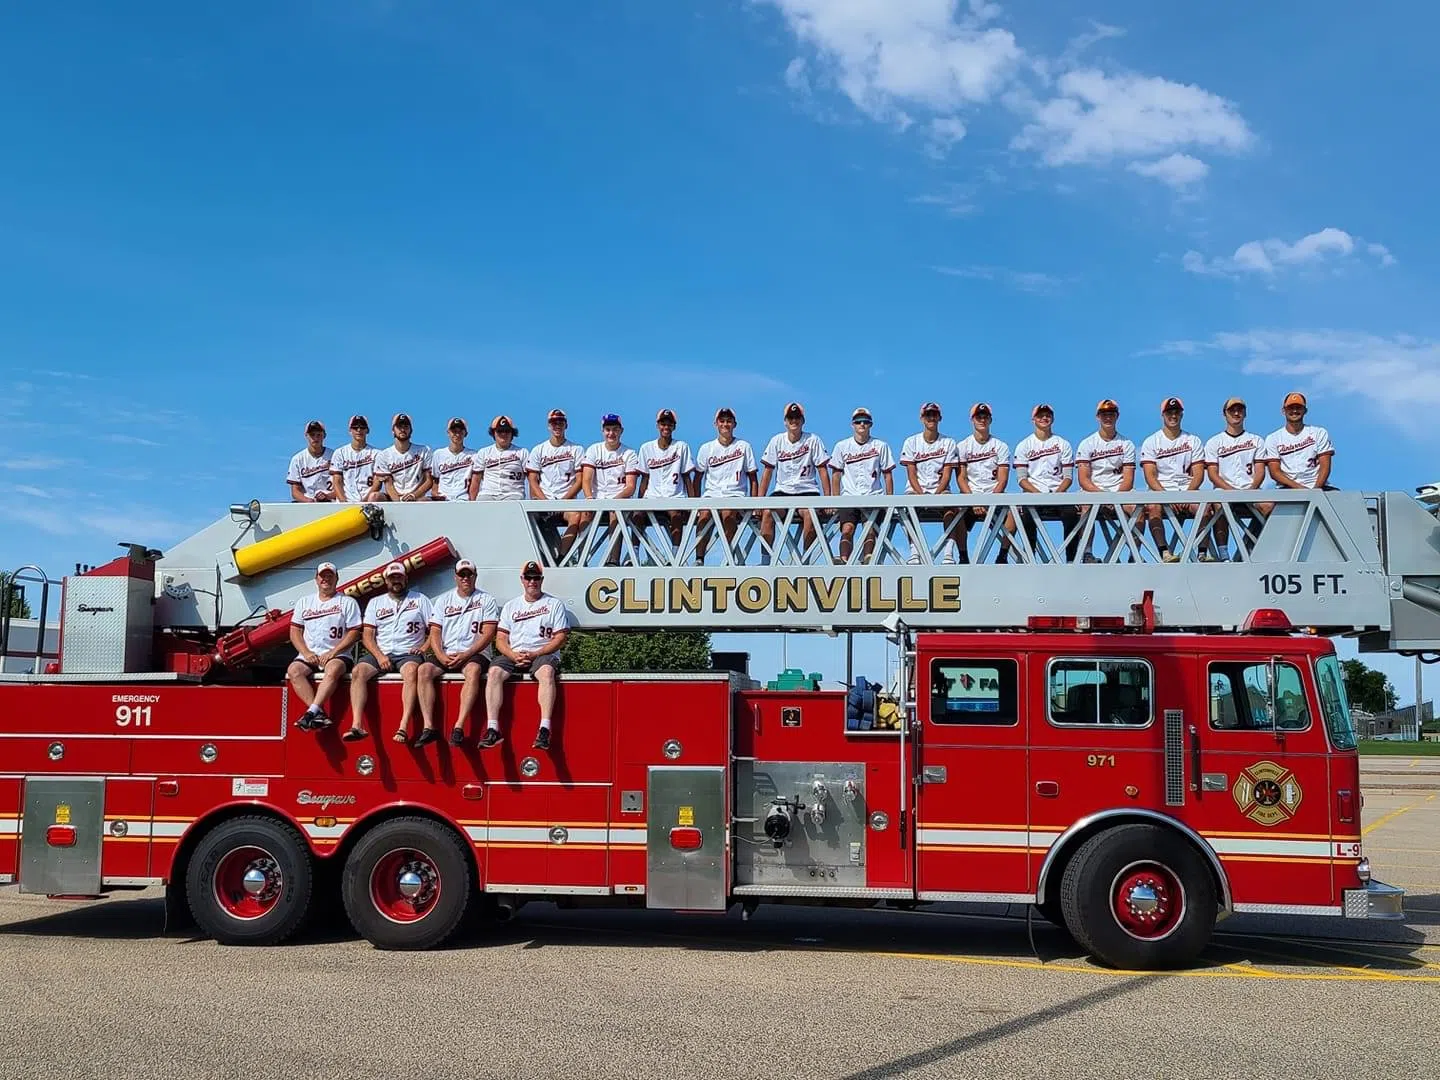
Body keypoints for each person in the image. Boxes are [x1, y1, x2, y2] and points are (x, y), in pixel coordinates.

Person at [479, 561, 571, 751]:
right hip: (515, 654)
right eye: (528, 577)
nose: (532, 581)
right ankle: (492, 729)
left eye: (536, 577)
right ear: (522, 580)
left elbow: (561, 637)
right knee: (494, 671)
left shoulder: (553, 604)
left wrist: (537, 653)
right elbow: (500, 639)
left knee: (546, 672)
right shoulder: (511, 606)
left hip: (542, 653)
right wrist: (512, 654)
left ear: (541, 580)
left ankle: (544, 728)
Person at [342, 562, 433, 744]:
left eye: (399, 577)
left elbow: (435, 631)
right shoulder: (376, 602)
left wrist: (423, 649)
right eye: (392, 578)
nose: (396, 581)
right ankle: (357, 724)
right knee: (358, 672)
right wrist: (380, 656)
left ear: (405, 578)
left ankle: (403, 725)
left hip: (409, 652)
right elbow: (367, 636)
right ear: (386, 580)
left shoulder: (420, 600)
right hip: (382, 652)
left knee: (410, 672)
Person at [419, 559, 500, 747]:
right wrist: (439, 655)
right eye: (462, 574)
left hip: (474, 652)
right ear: (455, 577)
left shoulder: (486, 600)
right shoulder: (443, 600)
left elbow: (489, 633)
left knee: (472, 671)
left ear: (475, 576)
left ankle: (459, 725)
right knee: (423, 671)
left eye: (469, 574)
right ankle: (429, 727)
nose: (465, 578)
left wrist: (467, 653)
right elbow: (435, 631)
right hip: (447, 652)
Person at [286, 562, 361, 731]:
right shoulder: (304, 602)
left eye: (330, 576)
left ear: (336, 579)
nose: (326, 579)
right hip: (310, 654)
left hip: (338, 654)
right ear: (316, 579)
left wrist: (334, 652)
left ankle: (310, 712)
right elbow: (295, 632)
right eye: (322, 576)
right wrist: (305, 653)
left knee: (333, 669)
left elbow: (355, 632)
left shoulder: (347, 602)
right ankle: (318, 712)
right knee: (293, 671)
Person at [759, 402, 830, 563]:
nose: (794, 421)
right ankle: (765, 559)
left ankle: (806, 559)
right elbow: (767, 472)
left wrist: (828, 500)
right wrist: (759, 501)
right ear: (785, 421)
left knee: (810, 514)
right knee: (768, 512)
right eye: (790, 418)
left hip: (808, 489)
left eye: (797, 418)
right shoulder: (777, 440)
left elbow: (823, 470)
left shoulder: (813, 440)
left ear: (803, 421)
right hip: (783, 491)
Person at [1140, 397, 1206, 563]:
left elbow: (1198, 474)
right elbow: (1150, 476)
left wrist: (1187, 495)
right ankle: (1164, 552)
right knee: (1153, 507)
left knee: (1206, 507)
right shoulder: (1151, 441)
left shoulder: (1193, 440)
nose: (1173, 416)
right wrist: (1167, 498)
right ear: (1163, 415)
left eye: (1177, 412)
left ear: (1182, 415)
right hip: (1161, 492)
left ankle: (1202, 552)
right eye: (1170, 412)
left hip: (1187, 490)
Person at [1204, 397, 1271, 560]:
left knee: (1270, 506)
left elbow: (1260, 471)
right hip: (1224, 490)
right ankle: (1223, 551)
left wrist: (1251, 489)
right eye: (1232, 410)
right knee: (1218, 504)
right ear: (1224, 414)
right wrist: (1231, 491)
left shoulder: (1256, 440)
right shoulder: (1214, 442)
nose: (1236, 413)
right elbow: (1213, 474)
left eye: (1240, 410)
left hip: (1251, 489)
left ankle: (1261, 547)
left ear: (1245, 413)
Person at [1013, 403, 1080, 562]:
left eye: (1047, 415)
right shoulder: (1024, 445)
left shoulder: (1063, 443)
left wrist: (1056, 495)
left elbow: (1068, 477)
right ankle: (1029, 559)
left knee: (1071, 514)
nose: (1044, 418)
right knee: (1027, 517)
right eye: (1040, 415)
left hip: (1058, 493)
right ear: (1033, 419)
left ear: (1053, 419)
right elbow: (1021, 479)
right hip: (1032, 493)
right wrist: (1038, 495)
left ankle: (1071, 559)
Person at [828, 407, 894, 563]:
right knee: (847, 528)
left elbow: (888, 475)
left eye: (865, 421)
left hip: (873, 495)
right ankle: (844, 559)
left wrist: (890, 500)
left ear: (870, 424)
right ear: (853, 425)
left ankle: (868, 557)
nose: (862, 424)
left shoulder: (880, 445)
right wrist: (835, 500)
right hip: (849, 496)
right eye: (858, 422)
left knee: (870, 529)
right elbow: (836, 475)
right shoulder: (841, 446)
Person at [1075, 399, 1137, 562]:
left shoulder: (1127, 444)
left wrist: (1114, 498)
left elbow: (1128, 480)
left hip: (1120, 492)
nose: (1107, 417)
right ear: (1097, 417)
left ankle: (1134, 553)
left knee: (1137, 508)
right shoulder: (1087, 443)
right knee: (1086, 508)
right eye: (1104, 414)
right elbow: (1083, 479)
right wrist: (1103, 496)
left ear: (1117, 416)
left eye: (1111, 414)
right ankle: (1087, 552)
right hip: (1094, 492)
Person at [693, 407, 758, 562]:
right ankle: (699, 558)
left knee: (728, 513)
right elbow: (697, 478)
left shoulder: (744, 446)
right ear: (716, 424)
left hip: (736, 494)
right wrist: (695, 503)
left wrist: (755, 504)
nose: (725, 424)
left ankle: (729, 556)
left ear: (734, 424)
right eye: (722, 421)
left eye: (729, 421)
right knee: (704, 515)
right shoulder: (706, 448)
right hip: (711, 494)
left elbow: (753, 477)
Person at [899, 402, 960, 563]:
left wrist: (936, 494)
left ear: (940, 418)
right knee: (907, 508)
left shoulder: (949, 442)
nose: (931, 418)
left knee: (951, 509)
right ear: (921, 418)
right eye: (928, 415)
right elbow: (911, 474)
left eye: (934, 414)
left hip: (941, 489)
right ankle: (915, 552)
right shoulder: (911, 442)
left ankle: (948, 553)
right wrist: (921, 495)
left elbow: (948, 475)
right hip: (916, 490)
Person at [952, 402, 1011, 564]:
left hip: (995, 496)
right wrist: (973, 501)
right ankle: (963, 556)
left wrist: (991, 501)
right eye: (979, 417)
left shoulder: (1001, 446)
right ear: (972, 419)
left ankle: (1003, 555)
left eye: (985, 417)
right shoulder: (962, 446)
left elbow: (1003, 479)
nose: (982, 420)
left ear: (990, 420)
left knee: (1015, 512)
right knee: (954, 514)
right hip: (971, 497)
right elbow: (961, 478)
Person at [528, 409, 587, 560]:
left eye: (560, 422)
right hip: (545, 500)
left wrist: (564, 500)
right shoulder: (538, 449)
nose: (557, 425)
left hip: (567, 500)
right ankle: (536, 556)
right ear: (549, 426)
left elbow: (580, 479)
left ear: (566, 425)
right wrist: (544, 502)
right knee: (527, 517)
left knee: (576, 516)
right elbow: (533, 480)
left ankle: (561, 557)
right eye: (554, 423)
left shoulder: (576, 449)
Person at [581, 413, 640, 564]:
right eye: (607, 429)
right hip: (597, 500)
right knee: (584, 514)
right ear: (603, 431)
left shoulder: (629, 453)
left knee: (616, 513)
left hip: (619, 501)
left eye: (615, 429)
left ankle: (613, 560)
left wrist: (613, 501)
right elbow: (586, 480)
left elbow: (630, 487)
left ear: (621, 431)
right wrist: (589, 498)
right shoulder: (594, 450)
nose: (611, 433)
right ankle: (581, 560)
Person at [636, 408, 696, 552]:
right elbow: (644, 478)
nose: (666, 427)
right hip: (652, 496)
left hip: (674, 495)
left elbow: (687, 477)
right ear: (657, 426)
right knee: (637, 515)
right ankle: (634, 552)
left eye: (669, 424)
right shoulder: (646, 448)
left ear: (674, 427)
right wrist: (638, 501)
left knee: (676, 515)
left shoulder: (682, 446)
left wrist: (693, 504)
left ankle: (676, 553)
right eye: (663, 424)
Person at [1262, 392, 1335, 491]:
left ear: (1305, 411)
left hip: (1319, 487)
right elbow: (1275, 472)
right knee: (1268, 505)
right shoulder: (1273, 438)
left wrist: (1315, 491)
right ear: (1283, 411)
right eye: (1291, 408)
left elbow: (1325, 467)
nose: (1295, 411)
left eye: (1298, 407)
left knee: (1343, 502)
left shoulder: (1319, 433)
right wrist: (1300, 489)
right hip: (1287, 488)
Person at [369, 413, 433, 502]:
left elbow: (429, 481)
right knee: (374, 496)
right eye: (399, 427)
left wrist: (414, 495)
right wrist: (398, 503)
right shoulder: (384, 455)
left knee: (427, 501)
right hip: (394, 497)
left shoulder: (424, 450)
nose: (402, 430)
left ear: (411, 430)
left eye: (406, 426)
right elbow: (389, 484)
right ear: (393, 430)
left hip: (417, 496)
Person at [468, 415, 530, 501]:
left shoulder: (522, 452)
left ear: (513, 434)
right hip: (488, 494)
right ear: (493, 433)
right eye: (500, 431)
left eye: (507, 431)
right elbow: (476, 480)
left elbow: (532, 479)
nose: (503, 434)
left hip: (513, 494)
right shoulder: (483, 452)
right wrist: (472, 504)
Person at [329, 415, 376, 502]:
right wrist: (343, 502)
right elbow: (337, 482)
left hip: (368, 502)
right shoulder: (340, 453)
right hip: (345, 501)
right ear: (350, 431)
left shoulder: (376, 453)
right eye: (355, 427)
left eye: (362, 427)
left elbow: (377, 482)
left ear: (367, 430)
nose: (359, 430)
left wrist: (366, 502)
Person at [429, 417, 476, 501]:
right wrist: (435, 494)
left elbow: (475, 481)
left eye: (460, 431)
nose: (457, 434)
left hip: (463, 499)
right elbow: (435, 480)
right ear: (448, 433)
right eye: (454, 431)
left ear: (466, 433)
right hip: (443, 499)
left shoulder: (474, 455)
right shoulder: (438, 454)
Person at [287, 421, 335, 503]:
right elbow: (295, 491)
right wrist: (308, 501)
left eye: (318, 435)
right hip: (307, 503)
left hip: (330, 502)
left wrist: (328, 496)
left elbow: (342, 485)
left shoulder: (334, 456)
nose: (315, 438)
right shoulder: (297, 459)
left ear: (324, 436)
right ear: (306, 436)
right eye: (312, 435)